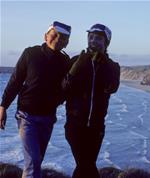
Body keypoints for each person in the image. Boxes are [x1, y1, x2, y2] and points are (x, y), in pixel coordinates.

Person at [0, 21, 71, 178]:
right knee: (33, 162)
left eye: (63, 38)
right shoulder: (30, 54)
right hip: (26, 116)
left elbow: (66, 92)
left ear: (67, 43)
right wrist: (3, 106)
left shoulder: (65, 62)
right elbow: (15, 81)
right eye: (55, 34)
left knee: (35, 162)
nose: (58, 39)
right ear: (46, 36)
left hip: (48, 118)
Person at [62, 23, 120, 178]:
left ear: (106, 42)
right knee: (85, 164)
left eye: (98, 38)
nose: (93, 41)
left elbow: (112, 87)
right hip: (74, 125)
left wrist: (104, 62)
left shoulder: (113, 66)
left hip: (96, 127)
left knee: (86, 165)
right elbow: (64, 89)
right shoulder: (75, 60)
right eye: (91, 37)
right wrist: (78, 65)